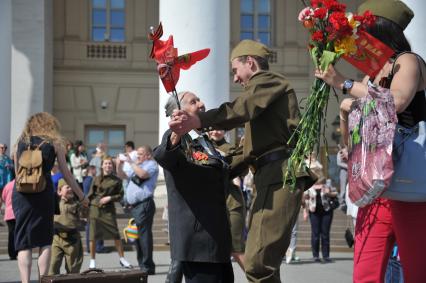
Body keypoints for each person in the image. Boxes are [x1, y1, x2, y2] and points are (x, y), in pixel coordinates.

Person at [169, 39, 312, 282]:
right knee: (264, 264)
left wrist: (199, 120)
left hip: (280, 175)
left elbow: (240, 108)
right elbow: (245, 153)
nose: (235, 78)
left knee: (258, 265)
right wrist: (206, 171)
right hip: (270, 177)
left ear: (250, 62)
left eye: (235, 70)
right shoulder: (259, 102)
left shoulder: (269, 82)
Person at [315, 1, 426, 281]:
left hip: (407, 184)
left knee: (416, 270)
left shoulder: (408, 60)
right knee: (365, 272)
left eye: (361, 29)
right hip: (375, 185)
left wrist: (344, 83)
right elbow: (357, 130)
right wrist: (344, 115)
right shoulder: (371, 74)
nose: (356, 36)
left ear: (379, 28)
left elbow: (397, 101)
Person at [154, 91, 234, 283]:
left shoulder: (206, 142)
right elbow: (164, 156)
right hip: (198, 242)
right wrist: (176, 133)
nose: (201, 103)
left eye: (199, 99)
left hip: (217, 239)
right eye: (193, 101)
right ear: (178, 111)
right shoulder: (178, 139)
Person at [12, 112, 88, 283]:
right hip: (43, 191)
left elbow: (17, 173)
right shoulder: (54, 143)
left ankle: (25, 281)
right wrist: (81, 195)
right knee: (44, 241)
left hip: (21, 193)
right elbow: (66, 174)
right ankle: (43, 280)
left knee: (24, 241)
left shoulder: (20, 142)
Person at [116, 145, 159, 274]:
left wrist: (130, 161)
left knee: (144, 236)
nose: (137, 155)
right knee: (138, 236)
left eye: (140, 153)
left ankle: (147, 266)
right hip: (135, 207)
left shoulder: (151, 164)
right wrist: (119, 165)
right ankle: (142, 265)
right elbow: (122, 175)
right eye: (137, 153)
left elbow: (143, 174)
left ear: (148, 155)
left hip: (144, 204)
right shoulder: (136, 165)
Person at [209, 129, 246, 270]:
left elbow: (242, 171)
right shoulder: (201, 147)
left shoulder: (230, 149)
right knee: (215, 251)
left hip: (231, 202)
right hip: (212, 204)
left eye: (219, 129)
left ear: (225, 132)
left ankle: (257, 280)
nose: (215, 131)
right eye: (212, 128)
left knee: (236, 248)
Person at [87, 156, 132, 269]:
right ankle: (92, 261)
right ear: (102, 166)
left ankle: (122, 259)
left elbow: (120, 195)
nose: (108, 166)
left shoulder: (117, 180)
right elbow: (90, 194)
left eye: (110, 164)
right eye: (106, 164)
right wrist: (85, 206)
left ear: (112, 166)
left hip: (108, 210)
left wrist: (110, 198)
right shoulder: (96, 178)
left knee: (116, 234)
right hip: (95, 209)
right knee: (93, 236)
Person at [48, 179, 85, 275]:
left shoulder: (76, 204)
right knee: (52, 265)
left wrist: (84, 205)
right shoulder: (54, 202)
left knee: (73, 269)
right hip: (57, 237)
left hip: (72, 239)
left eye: (72, 187)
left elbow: (85, 213)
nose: (70, 189)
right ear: (59, 191)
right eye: (67, 187)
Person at [303, 177, 338, 262]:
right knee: (315, 234)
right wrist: (305, 212)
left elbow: (336, 193)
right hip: (314, 212)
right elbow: (305, 200)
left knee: (325, 234)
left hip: (326, 212)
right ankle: (316, 255)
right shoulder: (309, 187)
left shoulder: (327, 186)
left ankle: (326, 256)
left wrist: (329, 193)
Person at [82, 165, 105, 254]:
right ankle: (98, 247)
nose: (96, 172)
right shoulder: (91, 180)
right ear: (91, 170)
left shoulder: (86, 180)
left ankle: (90, 248)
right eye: (95, 170)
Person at [2, 179, 17, 260]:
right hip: (18, 212)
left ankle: (12, 253)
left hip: (8, 214)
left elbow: (3, 197)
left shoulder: (7, 185)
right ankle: (18, 251)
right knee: (19, 233)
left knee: (11, 234)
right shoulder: (20, 184)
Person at [336, 145, 348, 209]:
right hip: (344, 171)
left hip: (351, 172)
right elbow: (339, 163)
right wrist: (348, 166)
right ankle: (341, 203)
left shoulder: (350, 151)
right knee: (343, 189)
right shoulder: (340, 152)